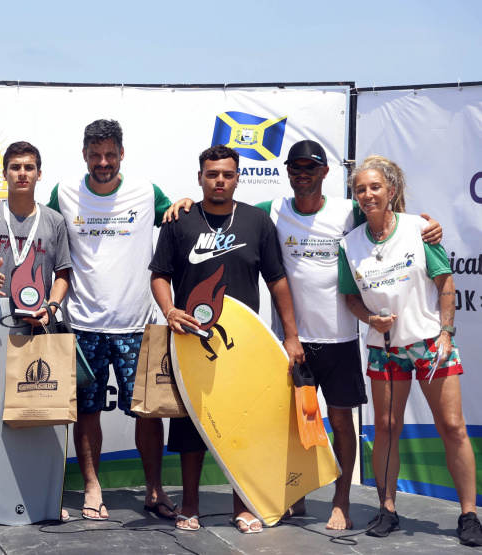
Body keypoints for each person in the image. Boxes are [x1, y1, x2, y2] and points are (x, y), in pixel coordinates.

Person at [164, 139, 441, 530]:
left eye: (311, 167)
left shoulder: (349, 211)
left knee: (341, 423)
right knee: (288, 427)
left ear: (325, 172)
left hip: (340, 340)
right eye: (295, 167)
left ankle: (341, 501)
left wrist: (426, 226)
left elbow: (387, 221)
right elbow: (224, 210)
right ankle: (293, 497)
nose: (302, 174)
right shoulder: (272, 210)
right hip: (289, 343)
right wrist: (185, 204)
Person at [149, 144, 304, 534]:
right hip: (190, 342)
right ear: (200, 177)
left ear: (237, 178)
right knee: (190, 429)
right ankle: (190, 505)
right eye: (212, 174)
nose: (219, 181)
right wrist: (170, 310)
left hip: (242, 346)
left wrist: (291, 336)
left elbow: (277, 281)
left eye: (227, 174)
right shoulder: (179, 221)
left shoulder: (257, 222)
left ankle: (244, 505)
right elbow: (159, 275)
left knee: (243, 425)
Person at [338, 155, 482, 546]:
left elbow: (445, 282)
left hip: (431, 342)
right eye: (360, 189)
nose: (368, 194)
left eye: (375, 187)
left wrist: (447, 332)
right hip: (385, 349)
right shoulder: (350, 244)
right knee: (386, 427)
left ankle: (469, 515)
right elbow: (350, 299)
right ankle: (387, 509)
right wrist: (371, 319)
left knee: (452, 427)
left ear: (391, 190)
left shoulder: (420, 228)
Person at [45, 119, 177, 521]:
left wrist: (185, 204)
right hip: (83, 324)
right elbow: (43, 236)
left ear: (122, 154)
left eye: (110, 154)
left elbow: (177, 221)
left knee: (148, 412)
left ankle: (154, 490)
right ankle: (92, 487)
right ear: (84, 155)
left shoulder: (147, 191)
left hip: (138, 325)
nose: (103, 162)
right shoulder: (64, 193)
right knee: (88, 411)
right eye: (95, 155)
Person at [0, 140, 72, 524]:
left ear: (39, 173)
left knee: (41, 410)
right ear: (5, 173)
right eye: (15, 167)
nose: (22, 173)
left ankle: (43, 498)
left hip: (39, 323)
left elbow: (63, 274)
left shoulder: (54, 221)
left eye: (29, 167)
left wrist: (51, 307)